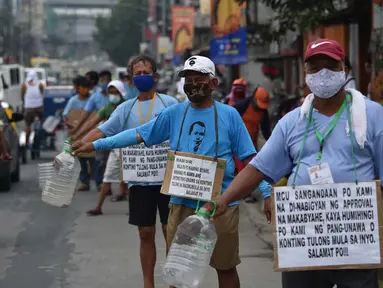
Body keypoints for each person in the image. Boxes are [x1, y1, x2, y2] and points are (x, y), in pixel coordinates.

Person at [71, 55, 271, 288]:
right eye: (188, 79)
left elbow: (250, 159)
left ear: (214, 83)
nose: (193, 84)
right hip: (181, 205)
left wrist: (266, 193)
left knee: (225, 269)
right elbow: (137, 134)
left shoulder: (229, 116)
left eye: (199, 79)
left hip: (221, 206)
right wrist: (94, 144)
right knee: (179, 274)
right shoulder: (174, 114)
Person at [209, 39, 383, 288]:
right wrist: (223, 200)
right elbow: (259, 168)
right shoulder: (292, 122)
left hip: (355, 241)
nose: (322, 74)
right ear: (306, 73)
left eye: (330, 66)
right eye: (314, 68)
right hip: (303, 240)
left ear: (344, 69)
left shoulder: (372, 115)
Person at [71, 55, 177, 288]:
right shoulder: (125, 109)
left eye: (145, 72)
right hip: (139, 181)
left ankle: (173, 283)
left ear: (156, 76)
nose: (141, 77)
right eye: (137, 74)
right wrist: (76, 145)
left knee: (171, 233)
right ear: (130, 80)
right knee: (145, 233)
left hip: (170, 181)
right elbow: (102, 131)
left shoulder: (170, 104)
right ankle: (148, 283)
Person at [71, 80, 128, 213]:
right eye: (111, 93)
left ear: (121, 93)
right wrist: (78, 136)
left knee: (131, 179)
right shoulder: (107, 107)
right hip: (112, 146)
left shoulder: (128, 106)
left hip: (128, 146)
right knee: (107, 175)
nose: (113, 95)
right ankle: (99, 207)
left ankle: (133, 207)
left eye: (116, 92)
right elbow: (93, 124)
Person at [62, 76, 102, 191]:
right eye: (82, 87)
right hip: (77, 134)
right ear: (78, 88)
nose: (84, 90)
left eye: (86, 87)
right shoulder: (73, 100)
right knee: (81, 159)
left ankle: (99, 183)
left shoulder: (94, 99)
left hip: (92, 132)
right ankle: (84, 182)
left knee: (95, 159)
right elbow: (65, 115)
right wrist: (68, 123)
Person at [22, 70, 44, 147]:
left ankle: (27, 142)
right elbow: (42, 94)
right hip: (39, 108)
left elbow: (22, 95)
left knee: (28, 126)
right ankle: (41, 141)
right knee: (41, 124)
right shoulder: (40, 84)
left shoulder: (25, 85)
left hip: (28, 108)